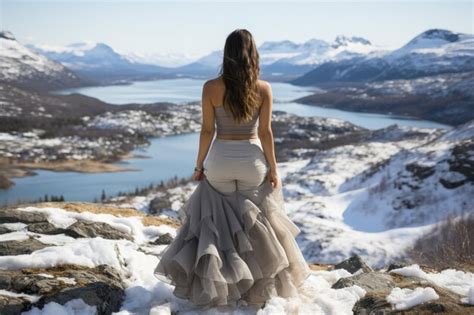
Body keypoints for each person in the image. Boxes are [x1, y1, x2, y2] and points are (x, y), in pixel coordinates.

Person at [154, 29, 311, 311]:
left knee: (218, 226)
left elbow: (207, 130)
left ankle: (218, 286)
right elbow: (265, 133)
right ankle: (258, 288)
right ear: (253, 54)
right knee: (256, 224)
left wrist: (199, 165)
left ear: (226, 54)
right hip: (252, 161)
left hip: (220, 160)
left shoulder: (210, 87)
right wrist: (273, 169)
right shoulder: (264, 88)